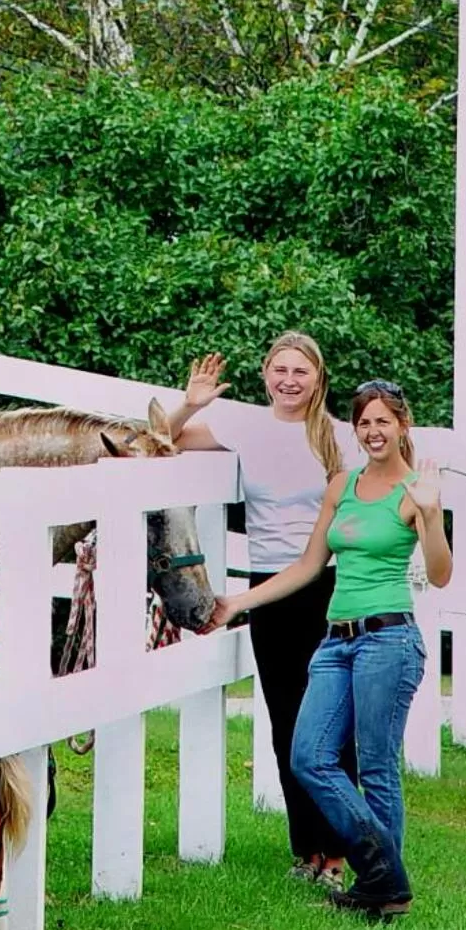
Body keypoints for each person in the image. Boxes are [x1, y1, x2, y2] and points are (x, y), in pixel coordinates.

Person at [208, 381, 451, 919]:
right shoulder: (341, 485)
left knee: (377, 767)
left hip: (389, 640)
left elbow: (440, 573)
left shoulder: (416, 491)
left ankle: (382, 889)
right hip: (335, 640)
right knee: (308, 756)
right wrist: (237, 602)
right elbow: (306, 565)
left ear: (402, 425)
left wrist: (432, 516)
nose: (373, 432)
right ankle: (387, 875)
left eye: (384, 421)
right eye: (365, 423)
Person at [163, 333, 360, 888]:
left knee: (332, 724)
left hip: (330, 586)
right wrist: (191, 403)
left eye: (301, 371)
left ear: (318, 378)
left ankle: (339, 855)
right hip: (269, 587)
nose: (289, 380)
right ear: (265, 373)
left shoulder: (339, 439)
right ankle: (306, 852)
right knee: (286, 723)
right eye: (280, 369)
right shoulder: (245, 427)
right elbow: (160, 441)